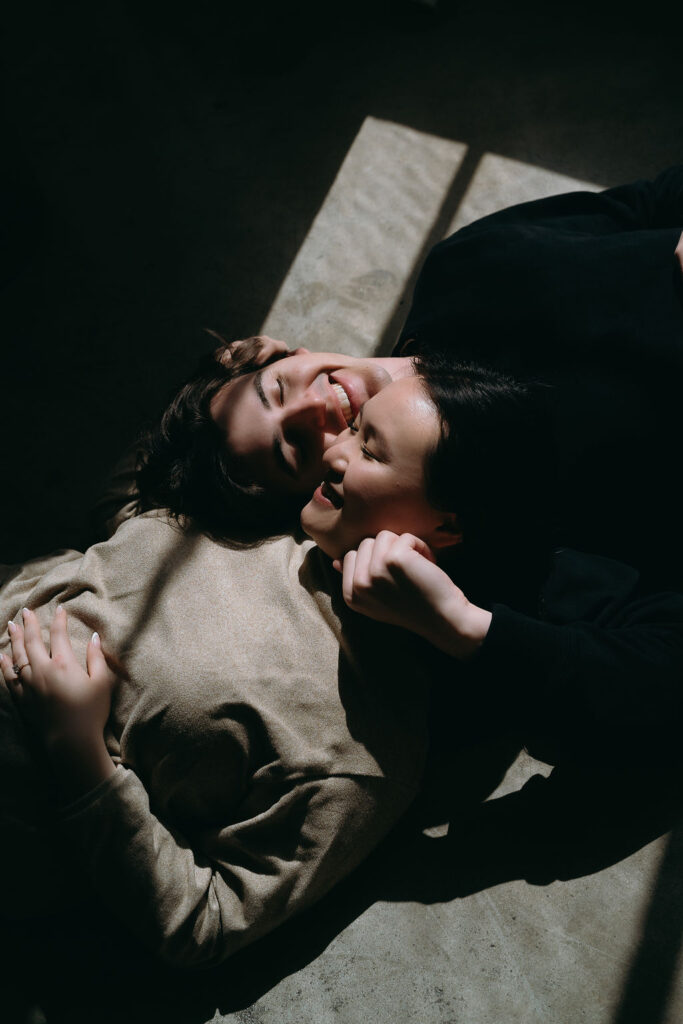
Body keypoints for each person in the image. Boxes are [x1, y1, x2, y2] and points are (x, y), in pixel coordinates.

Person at [1, 356, 541, 968]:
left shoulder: (365, 746)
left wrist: (81, 756)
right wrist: (268, 373)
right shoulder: (272, 517)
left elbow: (204, 923)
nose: (335, 451)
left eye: (370, 449)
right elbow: (133, 496)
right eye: (354, 427)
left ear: (445, 528)